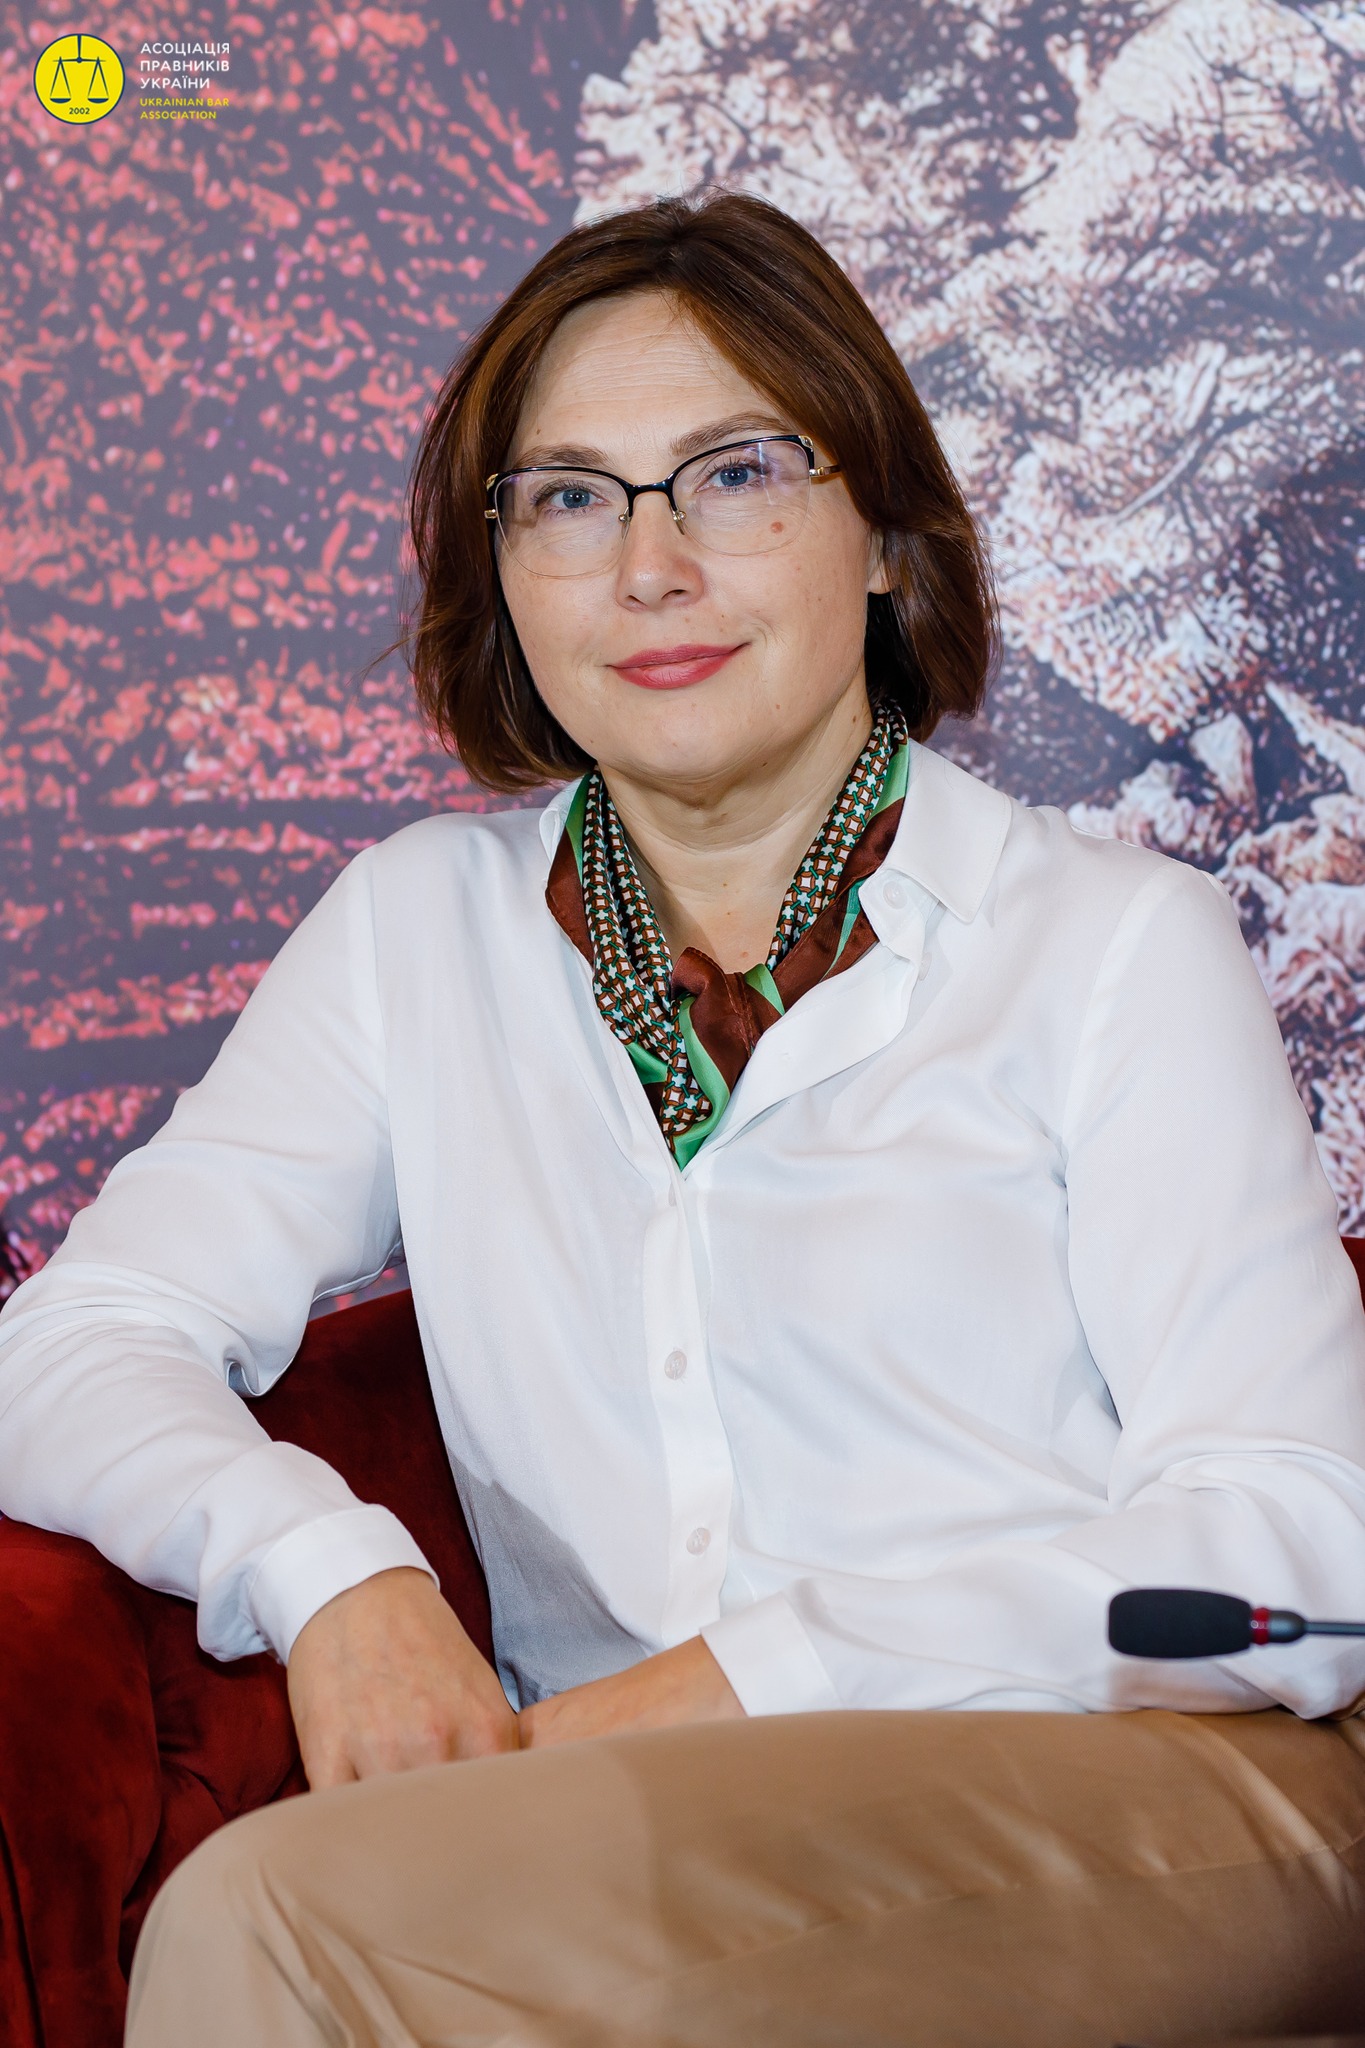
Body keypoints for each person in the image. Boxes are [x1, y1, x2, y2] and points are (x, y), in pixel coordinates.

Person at [2, 190, 1365, 2047]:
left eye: (732, 476)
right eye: (569, 498)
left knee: (280, 1924)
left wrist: (749, 1679)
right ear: (502, 574)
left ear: (883, 533)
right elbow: (75, 1339)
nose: (647, 567)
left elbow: (1298, 1542)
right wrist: (327, 1573)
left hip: (1144, 1791)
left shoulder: (1111, 942)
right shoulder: (418, 932)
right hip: (626, 1818)